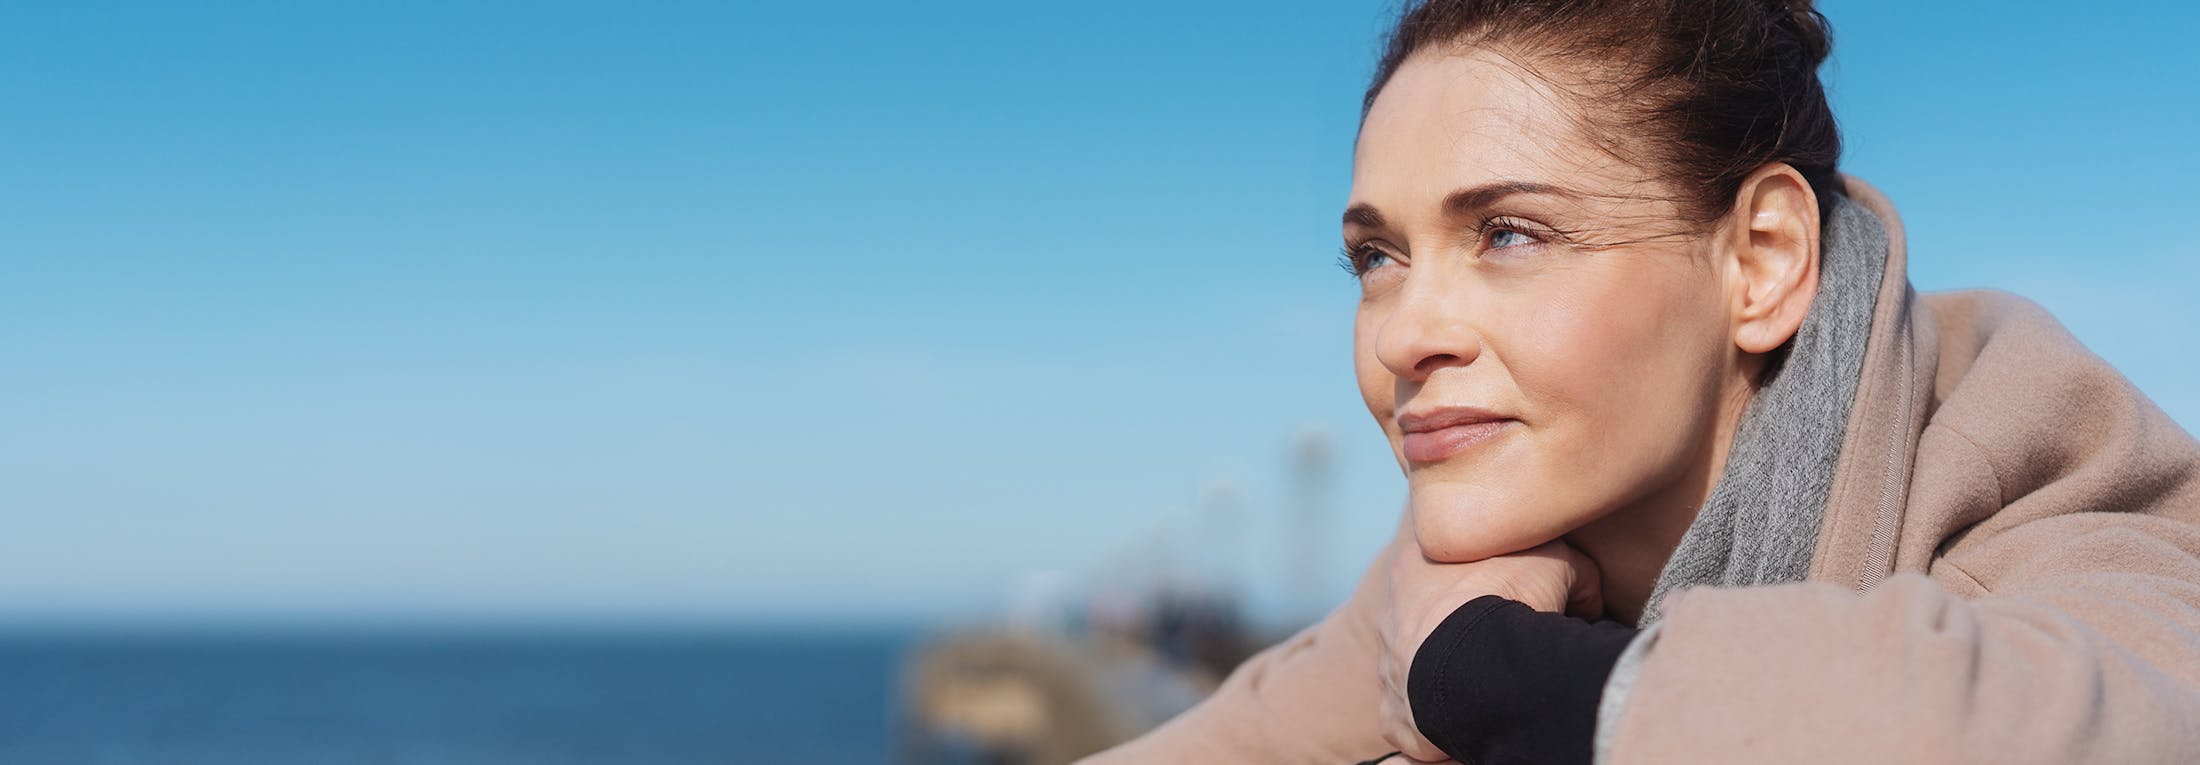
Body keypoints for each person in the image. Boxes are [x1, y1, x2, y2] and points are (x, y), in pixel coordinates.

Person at [1078, 0, 2200, 763]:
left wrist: (1488, 677)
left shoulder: (2047, 470)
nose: (1403, 334)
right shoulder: (1476, 560)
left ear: (1760, 263)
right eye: (1378, 258)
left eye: (1510, 234)